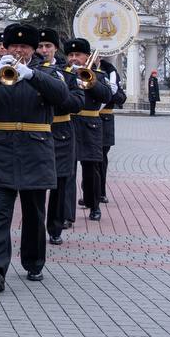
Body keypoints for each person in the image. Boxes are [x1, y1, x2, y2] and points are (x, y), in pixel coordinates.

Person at [0, 23, 70, 291]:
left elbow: (62, 96)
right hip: (1, 148)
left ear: (33, 50)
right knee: (0, 212)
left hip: (36, 149)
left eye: (24, 46)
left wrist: (31, 75)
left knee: (34, 211)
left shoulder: (48, 72)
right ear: (6, 48)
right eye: (14, 46)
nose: (18, 50)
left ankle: (34, 263)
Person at [36, 28, 85, 245]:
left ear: (56, 48)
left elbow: (78, 102)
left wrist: (57, 92)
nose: (43, 50)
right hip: (37, 131)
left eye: (48, 46)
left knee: (61, 181)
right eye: (40, 46)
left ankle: (55, 227)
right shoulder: (28, 69)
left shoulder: (68, 72)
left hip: (61, 131)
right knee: (36, 183)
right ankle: (36, 227)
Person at [66, 38, 114, 222]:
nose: (73, 58)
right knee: (68, 172)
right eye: (71, 55)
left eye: (77, 55)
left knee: (91, 169)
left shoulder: (99, 75)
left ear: (87, 57)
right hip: (69, 123)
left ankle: (94, 205)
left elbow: (107, 96)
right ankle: (67, 214)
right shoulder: (63, 73)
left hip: (91, 125)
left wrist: (90, 79)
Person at [97, 58, 126, 205]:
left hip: (104, 119)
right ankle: (90, 192)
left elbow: (121, 98)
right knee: (86, 160)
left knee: (101, 157)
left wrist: (112, 90)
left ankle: (100, 192)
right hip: (84, 119)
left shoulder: (110, 72)